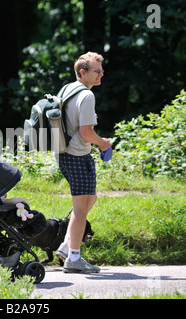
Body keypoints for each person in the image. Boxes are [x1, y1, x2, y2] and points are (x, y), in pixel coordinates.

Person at [56, 52, 111, 273]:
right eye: (96, 71)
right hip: (78, 156)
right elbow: (87, 133)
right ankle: (74, 259)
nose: (101, 74)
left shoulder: (67, 89)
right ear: (82, 72)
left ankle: (66, 246)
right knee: (80, 210)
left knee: (91, 198)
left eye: (101, 70)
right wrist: (103, 144)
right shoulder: (87, 96)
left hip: (63, 154)